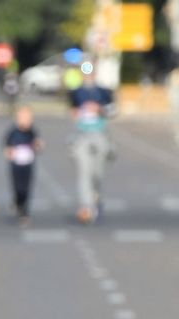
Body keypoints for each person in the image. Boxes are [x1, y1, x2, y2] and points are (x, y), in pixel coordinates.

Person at [69, 69, 114, 223]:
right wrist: (79, 113)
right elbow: (73, 110)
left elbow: (113, 110)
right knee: (84, 171)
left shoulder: (104, 91)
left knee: (96, 173)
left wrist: (99, 109)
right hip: (82, 135)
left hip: (100, 134)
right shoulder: (76, 92)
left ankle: (96, 196)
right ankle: (86, 207)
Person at [3, 105, 42, 224]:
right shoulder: (13, 132)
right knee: (18, 187)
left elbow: (38, 145)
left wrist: (38, 146)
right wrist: (10, 153)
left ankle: (24, 211)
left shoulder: (32, 132)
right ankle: (17, 202)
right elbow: (6, 148)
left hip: (28, 164)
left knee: (26, 188)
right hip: (16, 164)